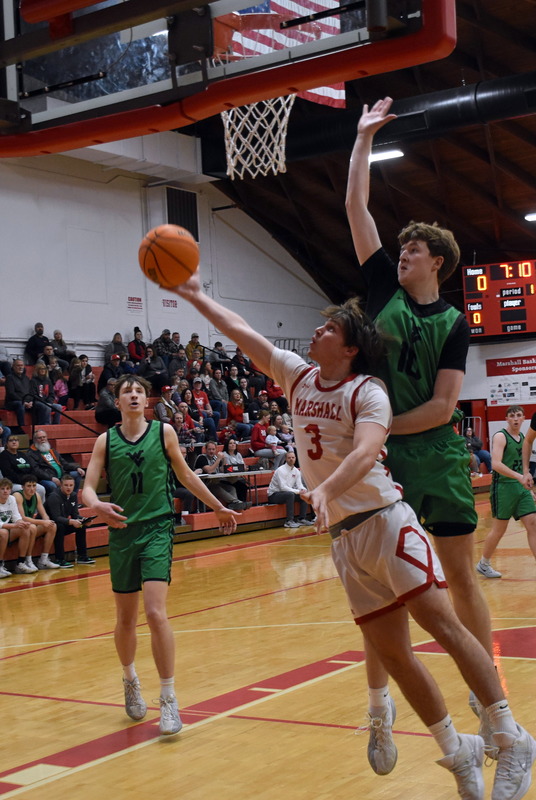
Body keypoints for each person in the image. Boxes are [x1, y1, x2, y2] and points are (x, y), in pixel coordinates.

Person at [170, 272, 536, 800]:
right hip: (345, 540)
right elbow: (242, 330)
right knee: (393, 655)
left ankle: (509, 733)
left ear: (349, 347)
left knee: (444, 626)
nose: (315, 332)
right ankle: (458, 750)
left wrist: (324, 490)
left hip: (387, 522)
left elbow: (366, 452)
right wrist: (195, 294)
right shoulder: (297, 376)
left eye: (327, 327)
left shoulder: (369, 392)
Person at [345, 95, 496, 768]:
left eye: (414, 248)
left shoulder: (456, 324)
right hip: (380, 463)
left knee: (462, 580)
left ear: (438, 261)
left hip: (430, 453)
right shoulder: (382, 292)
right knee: (386, 593)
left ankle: (491, 702)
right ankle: (380, 709)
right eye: (400, 246)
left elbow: (443, 408)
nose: (402, 251)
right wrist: (363, 138)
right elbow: (356, 209)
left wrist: (378, 429)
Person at [81, 374, 238, 735]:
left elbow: (185, 475)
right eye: (127, 392)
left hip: (156, 529)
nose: (134, 395)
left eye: (139, 391)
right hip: (121, 532)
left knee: (154, 611)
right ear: (117, 402)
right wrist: (97, 506)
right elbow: (88, 488)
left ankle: (168, 698)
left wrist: (217, 506)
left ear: (146, 400)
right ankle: (130, 679)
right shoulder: (105, 441)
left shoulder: (163, 432)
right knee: (125, 619)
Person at [476, 406, 536, 580]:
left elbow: (524, 467)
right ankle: (484, 563)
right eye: (512, 416)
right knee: (499, 530)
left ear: (524, 418)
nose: (515, 419)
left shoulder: (524, 438)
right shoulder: (501, 436)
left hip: (520, 488)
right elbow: (495, 464)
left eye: (518, 415)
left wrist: (528, 487)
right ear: (506, 419)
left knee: (533, 524)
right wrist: (519, 477)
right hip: (503, 487)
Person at [46, 474, 95, 568]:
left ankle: (82, 556)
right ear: (61, 485)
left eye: (71, 485)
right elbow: (56, 517)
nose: (69, 488)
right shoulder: (54, 496)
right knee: (59, 526)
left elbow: (75, 514)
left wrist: (84, 520)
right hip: (48, 526)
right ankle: (59, 559)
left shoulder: (73, 495)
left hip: (62, 523)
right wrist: (71, 521)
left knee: (81, 525)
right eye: (66, 485)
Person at [13, 474, 59, 569]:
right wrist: (42, 522)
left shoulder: (36, 496)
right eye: (29, 486)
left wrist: (47, 521)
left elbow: (44, 514)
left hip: (28, 526)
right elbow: (23, 518)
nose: (32, 489)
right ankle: (27, 560)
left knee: (52, 526)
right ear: (22, 487)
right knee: (32, 527)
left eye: (34, 486)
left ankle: (44, 559)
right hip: (16, 527)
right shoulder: (17, 495)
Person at [26, 430, 85, 496]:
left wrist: (77, 468)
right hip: (46, 479)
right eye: (40, 438)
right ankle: (56, 503)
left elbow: (64, 463)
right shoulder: (31, 454)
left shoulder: (52, 450)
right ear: (35, 440)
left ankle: (72, 498)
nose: (42, 439)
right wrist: (51, 478)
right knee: (51, 485)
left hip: (61, 475)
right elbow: (36, 471)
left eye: (44, 437)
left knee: (77, 474)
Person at [194, 440, 247, 511]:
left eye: (213, 449)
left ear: (216, 450)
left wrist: (224, 459)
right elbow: (210, 470)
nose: (211, 451)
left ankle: (234, 505)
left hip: (216, 482)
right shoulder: (201, 458)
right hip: (204, 485)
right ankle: (236, 502)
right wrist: (218, 459)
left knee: (231, 488)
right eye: (209, 449)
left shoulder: (215, 458)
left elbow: (222, 470)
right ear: (205, 450)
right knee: (215, 487)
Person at [0, 477, 36, 576]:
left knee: (25, 528)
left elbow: (16, 516)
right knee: (3, 532)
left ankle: (21, 563)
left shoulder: (11, 499)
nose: (5, 491)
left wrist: (21, 522)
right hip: (3, 529)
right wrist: (14, 525)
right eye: (2, 489)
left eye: (7, 489)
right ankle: (0, 565)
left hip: (7, 529)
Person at [267, 451, 310, 527]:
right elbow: (283, 487)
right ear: (285, 459)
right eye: (289, 458)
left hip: (286, 493)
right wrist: (298, 491)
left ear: (295, 459)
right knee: (290, 494)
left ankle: (302, 518)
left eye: (293, 457)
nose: (291, 459)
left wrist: (303, 490)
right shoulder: (280, 470)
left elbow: (299, 484)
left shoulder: (296, 471)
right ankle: (289, 521)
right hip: (274, 495)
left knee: (304, 494)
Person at [0, 434, 47, 501]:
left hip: (27, 481)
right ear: (7, 443)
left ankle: (38, 509)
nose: (14, 442)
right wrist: (24, 482)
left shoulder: (22, 454)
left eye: (16, 440)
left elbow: (31, 469)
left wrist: (31, 480)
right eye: (11, 440)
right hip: (14, 483)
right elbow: (8, 473)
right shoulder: (4, 455)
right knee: (24, 489)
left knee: (41, 489)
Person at [5, 358, 35, 428]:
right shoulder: (10, 378)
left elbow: (31, 392)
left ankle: (38, 426)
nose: (20, 367)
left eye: (22, 365)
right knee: (20, 404)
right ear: (13, 367)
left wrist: (30, 402)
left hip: (26, 402)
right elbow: (11, 393)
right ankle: (21, 427)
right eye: (18, 365)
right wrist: (23, 402)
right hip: (12, 402)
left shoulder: (27, 378)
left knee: (39, 405)